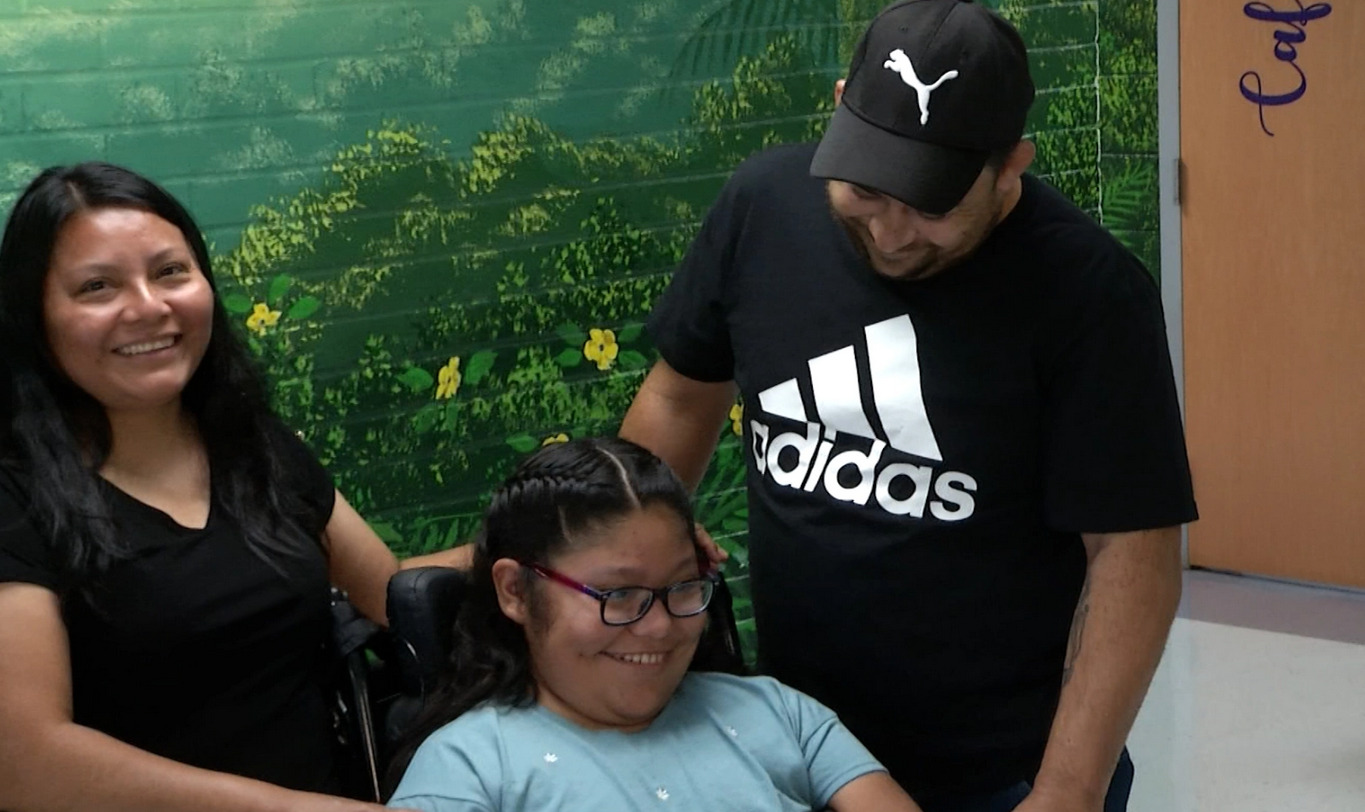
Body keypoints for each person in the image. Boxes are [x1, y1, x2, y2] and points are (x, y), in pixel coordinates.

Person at [619, 2, 1199, 811]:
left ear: (1010, 168)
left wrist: (1066, 791)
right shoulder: (762, 205)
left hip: (999, 767)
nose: (891, 233)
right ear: (837, 110)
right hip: (796, 745)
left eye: (931, 206)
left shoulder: (1088, 295)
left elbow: (1132, 558)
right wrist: (628, 549)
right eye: (864, 189)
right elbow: (682, 395)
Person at [0, 162, 454, 812]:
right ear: (34, 318)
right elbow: (25, 764)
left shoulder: (256, 448)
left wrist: (540, 552)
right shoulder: (15, 495)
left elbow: (391, 595)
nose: (148, 306)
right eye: (98, 286)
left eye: (169, 272)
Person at [385, 436, 923, 812]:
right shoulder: (471, 766)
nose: (659, 627)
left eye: (682, 588)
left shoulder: (778, 714)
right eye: (619, 596)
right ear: (515, 591)